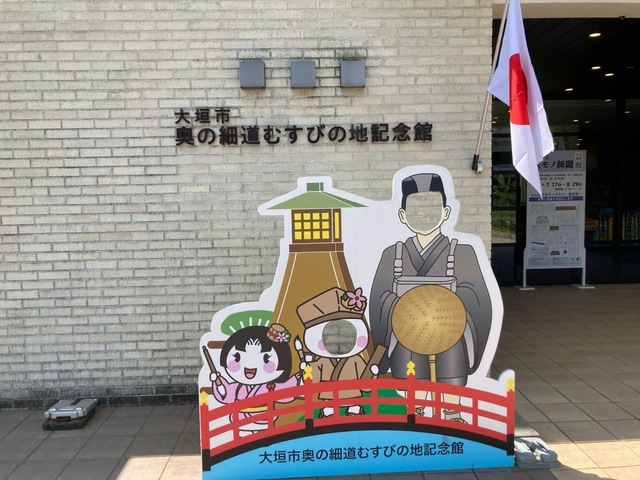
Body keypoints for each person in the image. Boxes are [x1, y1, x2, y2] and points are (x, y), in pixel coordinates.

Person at [369, 172, 493, 420]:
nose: (424, 215)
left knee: (451, 367)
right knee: (411, 370)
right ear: (402, 215)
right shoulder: (392, 254)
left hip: (449, 331)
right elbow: (379, 298)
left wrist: (441, 307)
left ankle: (452, 412)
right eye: (415, 208)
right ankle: (416, 412)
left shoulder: (462, 253)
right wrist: (406, 309)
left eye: (432, 207)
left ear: (445, 212)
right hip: (407, 331)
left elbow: (478, 298)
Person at [210, 324, 300, 435]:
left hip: (264, 420)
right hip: (241, 420)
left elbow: (286, 389)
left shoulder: (270, 386)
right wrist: (218, 381)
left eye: (266, 359)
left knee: (263, 439)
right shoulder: (238, 388)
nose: (250, 365)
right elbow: (226, 393)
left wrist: (299, 376)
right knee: (243, 440)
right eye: (237, 357)